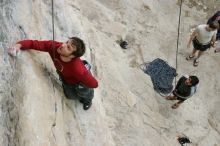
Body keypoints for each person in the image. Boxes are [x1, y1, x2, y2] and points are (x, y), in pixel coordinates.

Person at [8, 37, 98, 110]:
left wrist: (85, 76)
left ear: (72, 56)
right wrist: (17, 46)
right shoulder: (54, 46)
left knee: (84, 93)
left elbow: (94, 84)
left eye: (68, 47)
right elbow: (33, 43)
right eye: (67, 42)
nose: (63, 45)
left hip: (79, 82)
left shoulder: (78, 69)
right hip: (66, 80)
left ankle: (88, 100)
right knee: (69, 96)